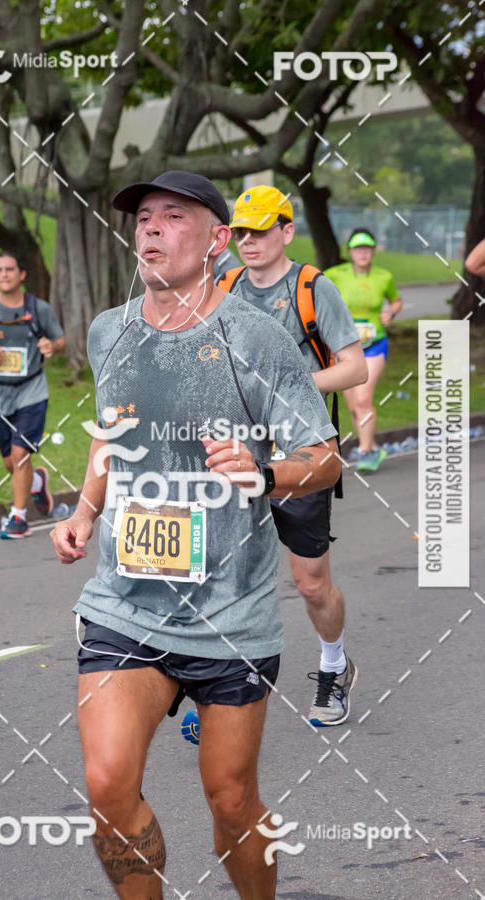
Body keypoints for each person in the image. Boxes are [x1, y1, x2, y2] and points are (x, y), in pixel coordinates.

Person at [50, 170, 341, 898]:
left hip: (231, 615)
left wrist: (265, 473)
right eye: (143, 216)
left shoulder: (258, 341)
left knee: (230, 797)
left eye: (172, 217)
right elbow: (110, 438)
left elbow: (325, 457)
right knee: (108, 784)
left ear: (217, 242)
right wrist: (86, 511)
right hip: (127, 602)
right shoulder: (109, 330)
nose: (149, 227)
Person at [218, 184, 366, 728]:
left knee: (309, 581)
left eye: (261, 230)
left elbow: (355, 367)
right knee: (224, 572)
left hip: (301, 451)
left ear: (286, 231)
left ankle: (334, 663)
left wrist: (291, 385)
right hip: (235, 452)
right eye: (240, 232)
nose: (249, 241)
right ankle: (221, 687)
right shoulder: (225, 285)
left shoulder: (312, 289)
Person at [0, 251, 65, 538]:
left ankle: (18, 518)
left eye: (10, 269)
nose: (4, 274)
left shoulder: (39, 308)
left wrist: (51, 347)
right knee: (10, 461)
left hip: (31, 392)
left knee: (20, 456)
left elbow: (59, 339)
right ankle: (35, 484)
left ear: (22, 275)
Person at [324, 229, 402, 472]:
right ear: (350, 251)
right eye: (358, 249)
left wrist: (391, 312)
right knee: (353, 406)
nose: (363, 253)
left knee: (363, 398)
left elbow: (396, 300)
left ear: (373, 251)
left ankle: (366, 451)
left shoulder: (384, 277)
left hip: (374, 344)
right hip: (344, 348)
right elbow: (316, 294)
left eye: (367, 248)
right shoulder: (334, 275)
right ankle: (372, 446)